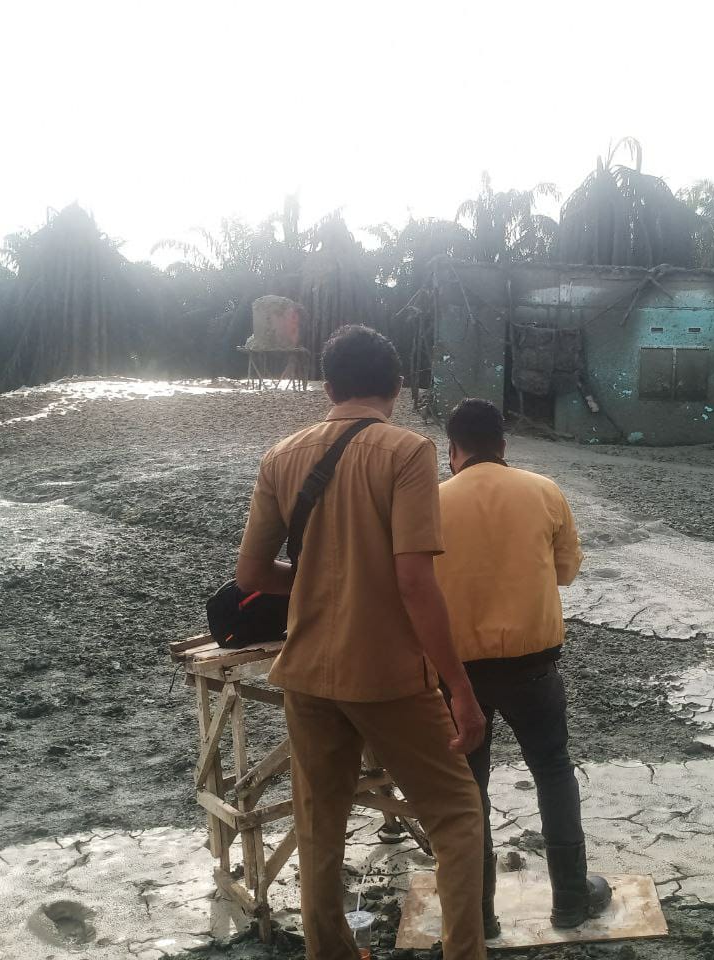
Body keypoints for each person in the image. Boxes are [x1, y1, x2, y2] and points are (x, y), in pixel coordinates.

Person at [236, 325, 489, 960]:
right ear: (397, 389)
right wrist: (459, 686)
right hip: (385, 676)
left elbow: (252, 576)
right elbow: (413, 579)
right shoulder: (406, 452)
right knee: (457, 817)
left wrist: (322, 579)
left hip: (307, 673)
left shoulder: (281, 456)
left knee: (320, 823)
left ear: (327, 387)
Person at [433, 398, 612, 939]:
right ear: (504, 446)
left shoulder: (431, 501)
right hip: (534, 668)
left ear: (452, 450)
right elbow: (564, 573)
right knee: (553, 771)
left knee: (470, 787)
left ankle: (479, 915)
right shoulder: (543, 490)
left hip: (459, 676)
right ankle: (571, 903)